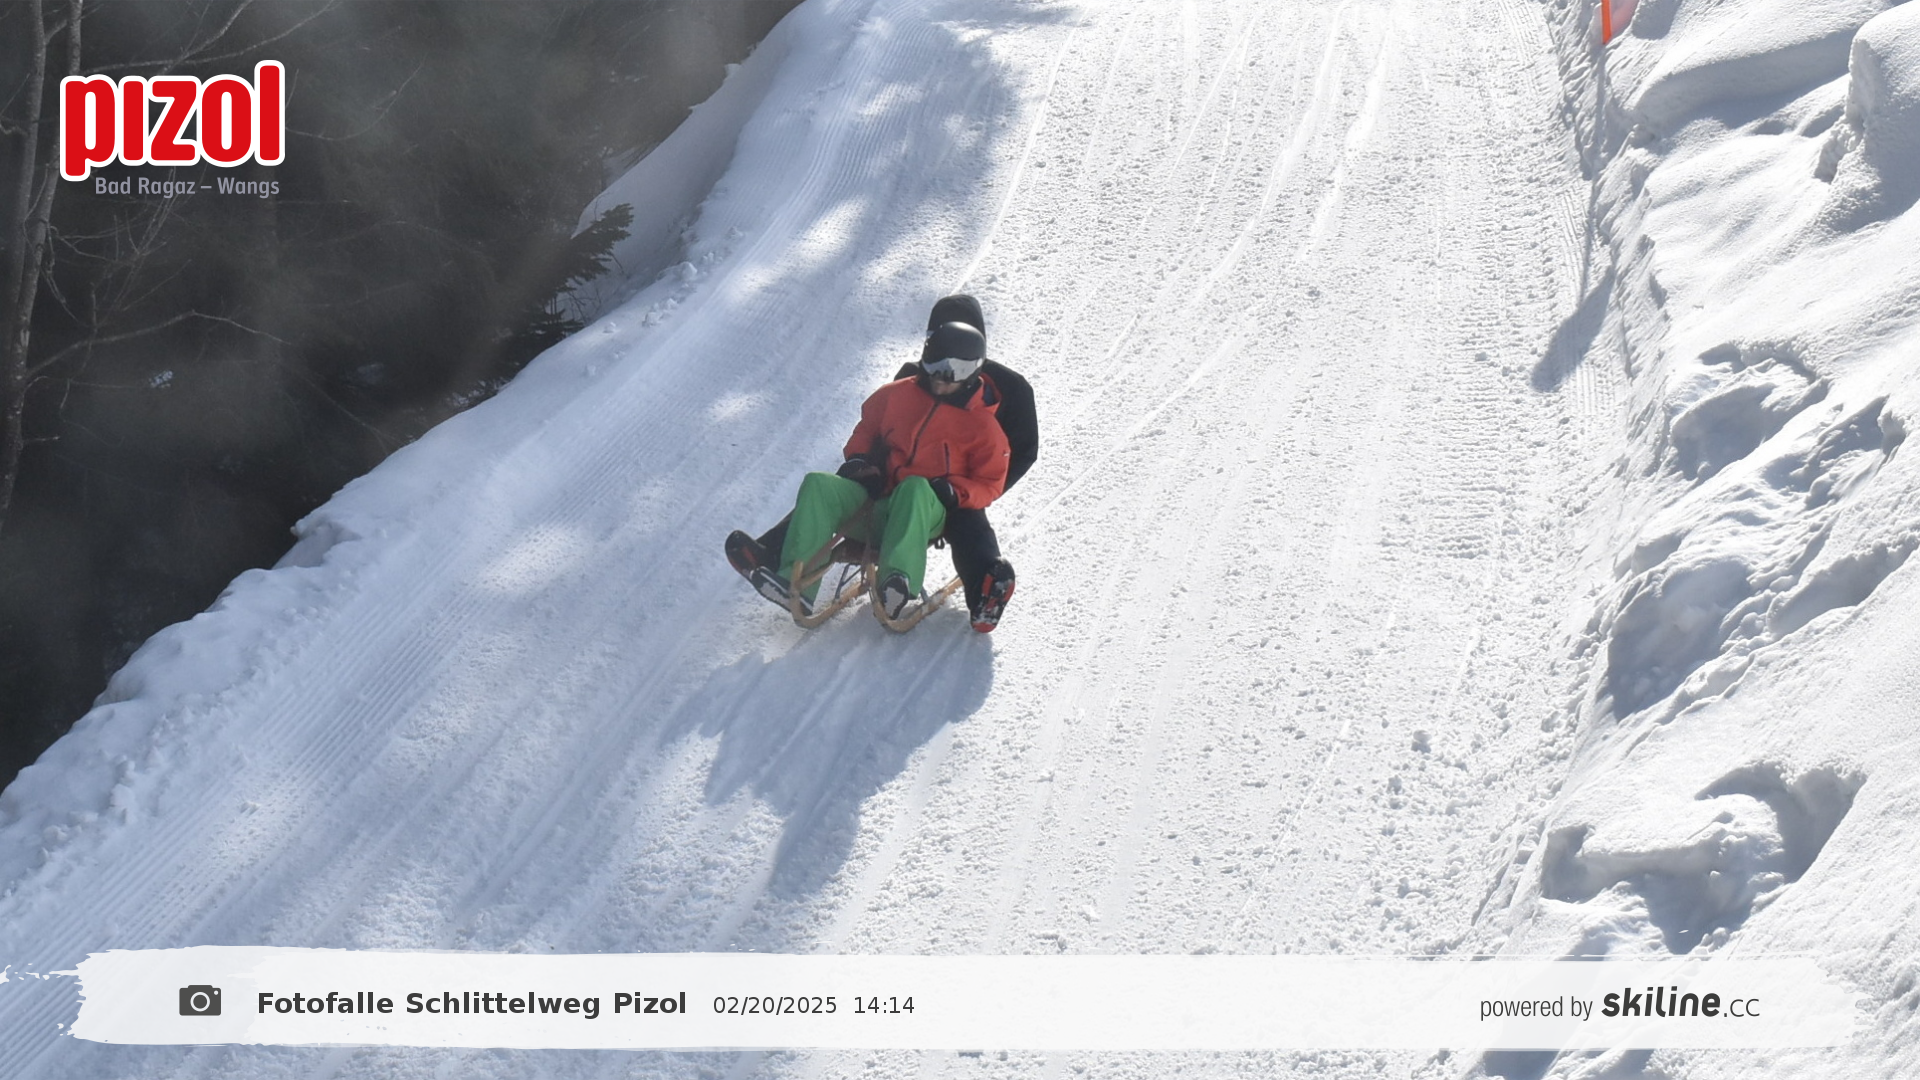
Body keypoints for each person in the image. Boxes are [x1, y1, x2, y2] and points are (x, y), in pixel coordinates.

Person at [728, 296, 1034, 630]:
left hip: (933, 504)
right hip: (880, 497)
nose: (941, 380)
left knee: (926, 496)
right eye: (934, 367)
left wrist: (956, 495)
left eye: (953, 373)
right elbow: (869, 429)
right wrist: (860, 463)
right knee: (819, 484)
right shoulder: (901, 390)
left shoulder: (992, 414)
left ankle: (902, 582)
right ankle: (793, 582)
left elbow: (995, 476)